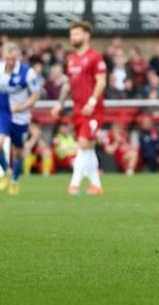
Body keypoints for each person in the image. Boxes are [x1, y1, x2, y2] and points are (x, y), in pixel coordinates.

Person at [51, 21, 108, 195]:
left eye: (76, 34)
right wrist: (59, 103)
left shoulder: (95, 57)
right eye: (71, 34)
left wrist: (91, 102)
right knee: (88, 147)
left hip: (92, 110)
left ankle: (74, 184)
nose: (73, 37)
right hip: (77, 109)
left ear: (86, 36)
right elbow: (69, 84)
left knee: (83, 144)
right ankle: (96, 185)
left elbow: (101, 81)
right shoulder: (71, 59)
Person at [0, 42, 42, 195]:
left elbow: (36, 94)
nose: (11, 62)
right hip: (2, 111)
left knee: (18, 152)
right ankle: (5, 171)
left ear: (18, 57)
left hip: (20, 115)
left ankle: (15, 180)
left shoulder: (27, 73)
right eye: (8, 58)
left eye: (13, 59)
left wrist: (22, 107)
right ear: (3, 56)